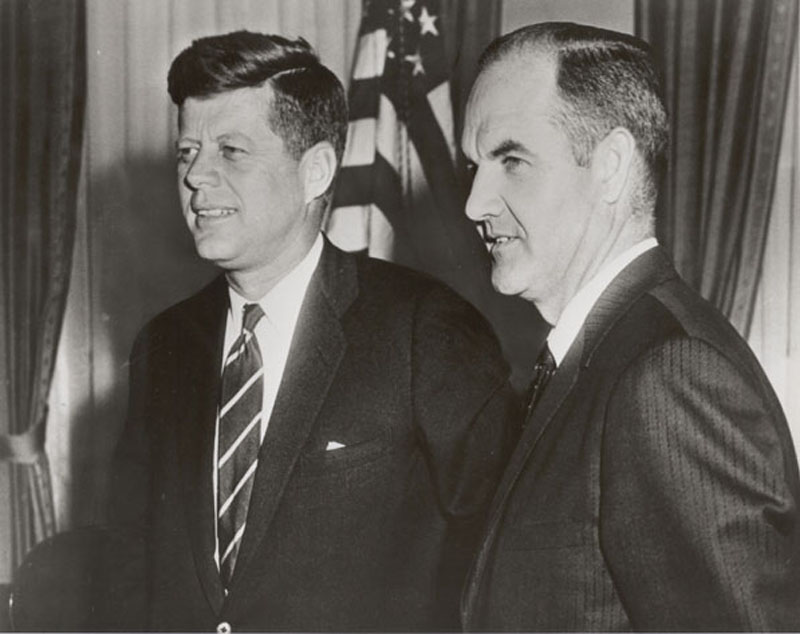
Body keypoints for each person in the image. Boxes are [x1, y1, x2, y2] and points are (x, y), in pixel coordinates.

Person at [107, 30, 518, 632]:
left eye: (231, 151)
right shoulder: (164, 345)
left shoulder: (424, 329)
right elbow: (128, 564)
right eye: (187, 152)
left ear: (316, 171)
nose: (196, 176)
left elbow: (503, 558)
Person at [459, 22, 800, 631]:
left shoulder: (668, 376)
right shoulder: (597, 357)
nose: (474, 203)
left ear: (611, 166)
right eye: (475, 165)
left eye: (511, 160)